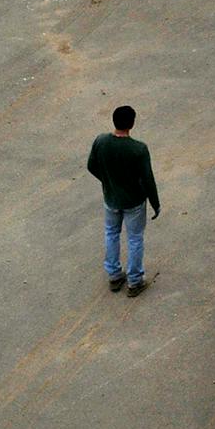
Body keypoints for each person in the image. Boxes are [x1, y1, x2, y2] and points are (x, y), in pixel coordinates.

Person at [87, 105, 161, 297]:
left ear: (114, 121)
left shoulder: (101, 141)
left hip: (111, 199)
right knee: (135, 238)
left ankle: (114, 275)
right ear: (132, 123)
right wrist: (155, 203)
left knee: (111, 233)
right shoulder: (138, 149)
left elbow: (91, 166)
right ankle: (134, 281)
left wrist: (108, 182)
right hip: (133, 201)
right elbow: (147, 179)